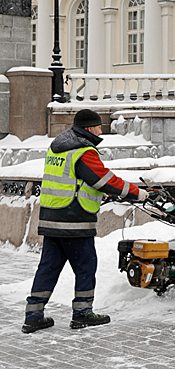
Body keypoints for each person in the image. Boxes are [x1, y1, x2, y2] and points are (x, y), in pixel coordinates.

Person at [22, 109, 149, 334]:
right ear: (90, 128)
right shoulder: (82, 150)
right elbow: (104, 179)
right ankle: (82, 314)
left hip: (52, 217)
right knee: (86, 266)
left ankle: (33, 315)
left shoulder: (58, 146)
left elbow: (75, 179)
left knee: (48, 267)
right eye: (99, 127)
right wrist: (138, 193)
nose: (101, 131)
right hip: (74, 219)